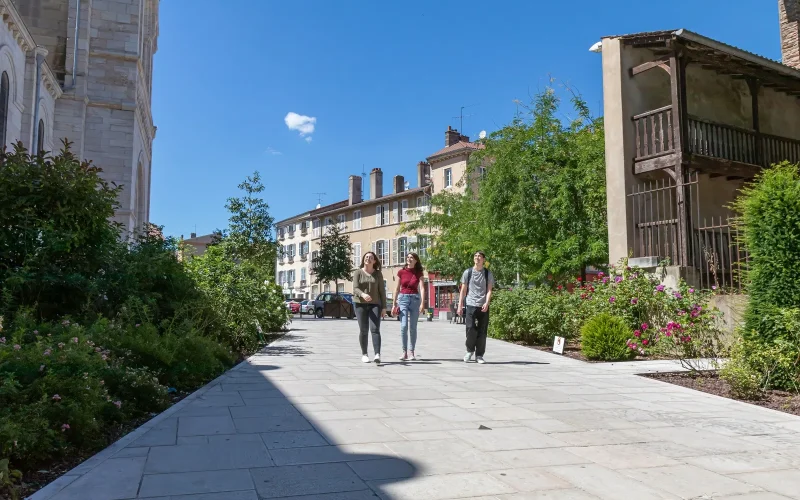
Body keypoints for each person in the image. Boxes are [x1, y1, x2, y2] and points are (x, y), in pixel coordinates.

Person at [457, 251, 495, 364]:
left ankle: (479, 355)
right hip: (470, 304)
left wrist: (486, 303)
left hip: (483, 305)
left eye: (479, 256)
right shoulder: (468, 272)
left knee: (482, 331)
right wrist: (460, 305)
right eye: (475, 256)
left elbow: (489, 290)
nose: (477, 258)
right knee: (470, 328)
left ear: (483, 259)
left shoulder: (488, 273)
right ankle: (469, 350)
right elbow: (463, 290)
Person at [352, 251, 387, 363]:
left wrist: (384, 307)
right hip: (359, 304)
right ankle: (364, 354)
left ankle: (377, 354)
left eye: (371, 257)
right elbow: (355, 288)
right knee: (363, 330)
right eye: (366, 257)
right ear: (363, 259)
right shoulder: (358, 272)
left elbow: (382, 291)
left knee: (375, 329)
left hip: (375, 304)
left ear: (374, 261)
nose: (368, 259)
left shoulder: (378, 274)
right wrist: (363, 294)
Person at [392, 252, 426, 361]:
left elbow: (422, 288)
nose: (409, 259)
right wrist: (394, 304)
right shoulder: (401, 272)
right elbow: (397, 288)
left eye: (412, 257)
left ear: (416, 260)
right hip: (403, 299)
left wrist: (422, 303)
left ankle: (411, 351)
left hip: (415, 299)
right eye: (408, 257)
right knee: (403, 326)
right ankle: (404, 351)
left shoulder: (419, 273)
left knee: (413, 327)